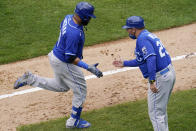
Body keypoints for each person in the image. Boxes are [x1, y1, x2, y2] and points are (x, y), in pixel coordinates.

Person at [14, 2, 103, 129]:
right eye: (88, 17)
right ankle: (73, 121)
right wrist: (88, 67)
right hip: (64, 62)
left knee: (62, 86)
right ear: (83, 16)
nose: (89, 19)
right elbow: (70, 57)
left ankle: (31, 79)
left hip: (55, 56)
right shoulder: (74, 33)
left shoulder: (68, 17)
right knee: (81, 90)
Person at [113, 16, 176, 131]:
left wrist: (152, 81)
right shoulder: (148, 35)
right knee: (160, 111)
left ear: (133, 29)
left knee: (156, 113)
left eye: (128, 29)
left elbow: (151, 58)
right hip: (168, 72)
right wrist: (124, 63)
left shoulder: (142, 39)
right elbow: (142, 60)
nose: (127, 31)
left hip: (160, 77)